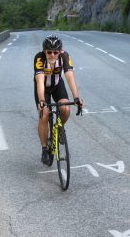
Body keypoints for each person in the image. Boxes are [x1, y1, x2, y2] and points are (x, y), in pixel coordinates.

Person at [34, 34, 83, 165]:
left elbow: (69, 76)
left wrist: (76, 97)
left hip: (56, 85)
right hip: (43, 88)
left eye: (55, 52)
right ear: (44, 51)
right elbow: (39, 81)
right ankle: (44, 148)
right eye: (49, 52)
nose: (52, 55)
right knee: (44, 114)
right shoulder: (39, 58)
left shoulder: (65, 56)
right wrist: (42, 102)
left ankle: (59, 128)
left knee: (65, 108)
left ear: (60, 51)